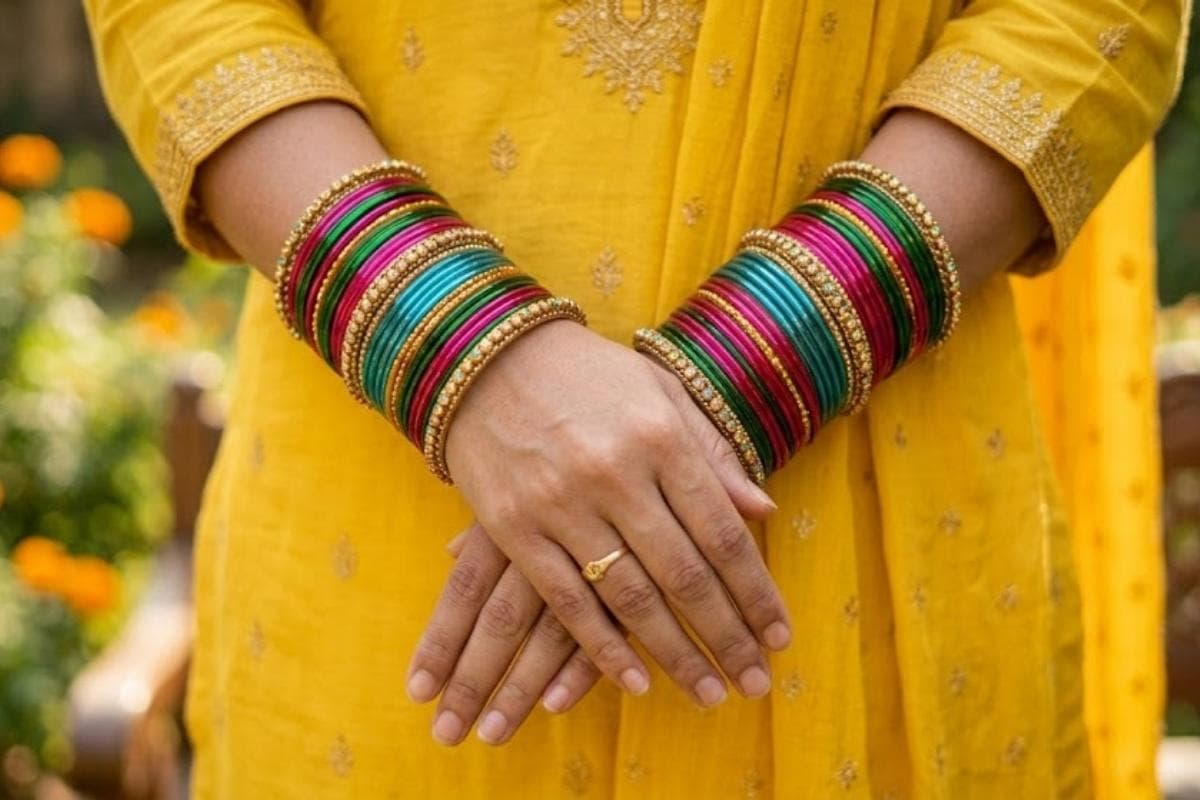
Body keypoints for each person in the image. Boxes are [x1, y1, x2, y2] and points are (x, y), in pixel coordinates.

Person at [83, 1, 1188, 797]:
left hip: (867, 552)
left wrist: (743, 372)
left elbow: (1095, 19)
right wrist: (467, 353)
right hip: (383, 557)